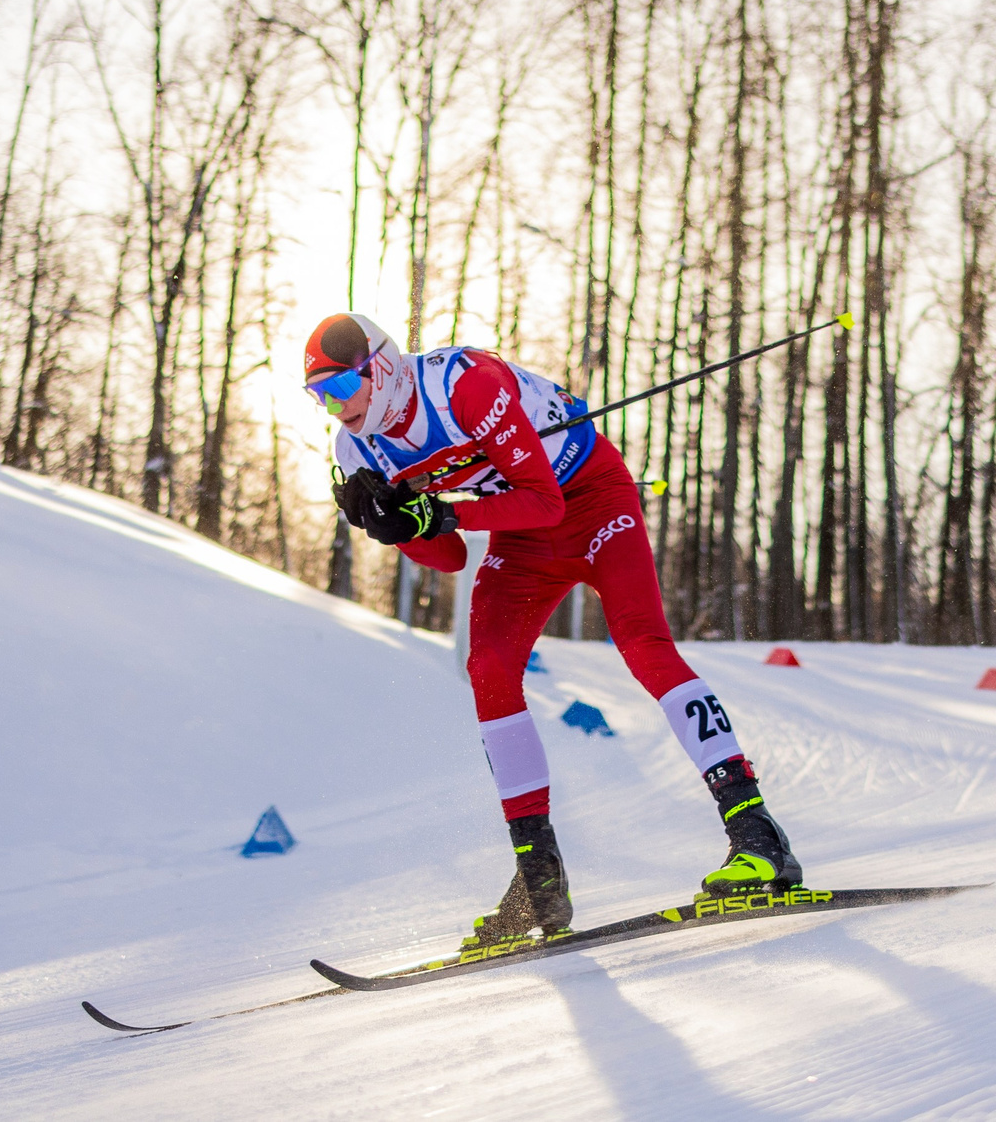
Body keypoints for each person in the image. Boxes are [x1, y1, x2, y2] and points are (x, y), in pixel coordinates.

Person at [305, 312, 800, 950]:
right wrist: (398, 528)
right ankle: (538, 877)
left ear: (384, 367)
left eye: (341, 389)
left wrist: (442, 508)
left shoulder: (465, 387)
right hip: (524, 541)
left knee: (644, 648)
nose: (334, 409)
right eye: (320, 397)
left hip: (591, 499)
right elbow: (450, 556)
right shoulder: (358, 449)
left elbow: (545, 500)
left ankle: (758, 836)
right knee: (487, 670)